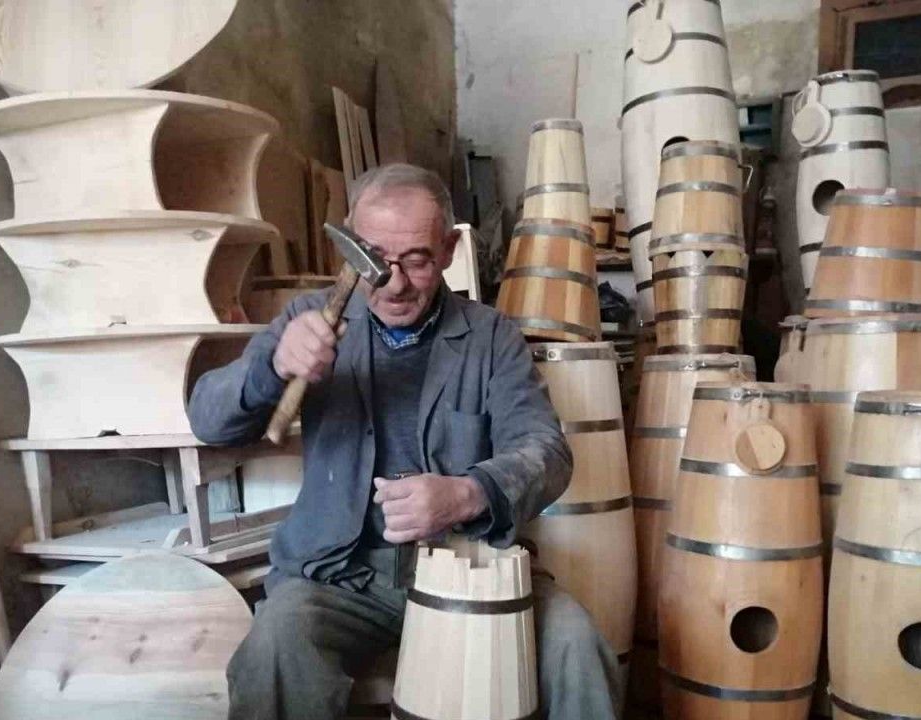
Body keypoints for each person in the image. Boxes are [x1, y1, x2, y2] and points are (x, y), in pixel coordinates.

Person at [188, 163, 621, 719]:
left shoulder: (491, 337)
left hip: (468, 566)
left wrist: (468, 493)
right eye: (375, 257)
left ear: (447, 251)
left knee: (575, 645)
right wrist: (271, 366)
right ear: (351, 245)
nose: (393, 283)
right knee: (274, 648)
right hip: (339, 576)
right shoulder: (309, 319)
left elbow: (547, 451)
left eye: (416, 260)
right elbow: (208, 419)